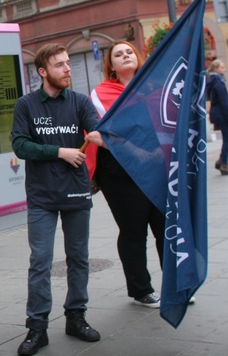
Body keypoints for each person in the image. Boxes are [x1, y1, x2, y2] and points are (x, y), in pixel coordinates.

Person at [10, 43, 101, 355]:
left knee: (78, 258)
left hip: (76, 191)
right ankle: (37, 327)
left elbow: (99, 128)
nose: (67, 69)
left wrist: (102, 133)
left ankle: (76, 316)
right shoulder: (27, 105)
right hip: (42, 197)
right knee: (40, 261)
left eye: (68, 63)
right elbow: (20, 145)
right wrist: (59, 151)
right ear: (42, 72)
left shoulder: (80, 102)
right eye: (60, 65)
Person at [86, 41, 165, 308]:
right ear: (112, 66)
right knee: (133, 231)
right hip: (120, 171)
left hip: (157, 165)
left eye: (129, 51)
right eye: (118, 54)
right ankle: (141, 290)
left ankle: (177, 285)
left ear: (137, 57)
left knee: (165, 227)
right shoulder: (101, 93)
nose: (125, 56)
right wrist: (136, 150)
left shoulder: (155, 88)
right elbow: (101, 133)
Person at [206, 59, 228, 175]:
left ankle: (221, 160)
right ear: (216, 69)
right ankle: (224, 163)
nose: (224, 69)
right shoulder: (218, 82)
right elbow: (224, 102)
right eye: (222, 67)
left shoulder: (215, 81)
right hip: (221, 115)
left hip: (218, 114)